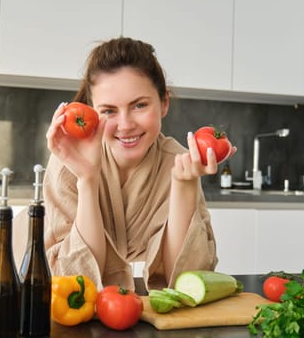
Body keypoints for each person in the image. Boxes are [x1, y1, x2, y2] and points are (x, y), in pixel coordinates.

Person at [13, 37, 236, 291]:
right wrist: (87, 179)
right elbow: (76, 278)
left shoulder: (176, 161)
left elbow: (186, 279)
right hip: (32, 285)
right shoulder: (70, 159)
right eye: (108, 111)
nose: (126, 124)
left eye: (139, 105)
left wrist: (184, 185)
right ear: (92, 111)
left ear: (164, 102)